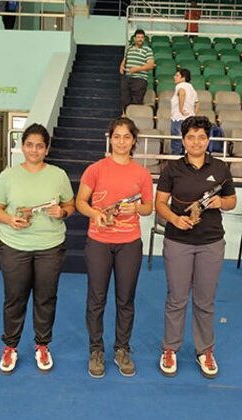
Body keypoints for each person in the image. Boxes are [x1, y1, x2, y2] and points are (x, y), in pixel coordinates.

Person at [0, 123, 76, 375]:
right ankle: (10, 346)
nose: (34, 150)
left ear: (46, 149)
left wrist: (62, 212)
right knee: (14, 298)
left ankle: (42, 344)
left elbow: (70, 205)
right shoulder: (8, 175)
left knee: (45, 298)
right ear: (22, 147)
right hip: (15, 246)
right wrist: (9, 220)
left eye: (39, 145)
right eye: (29, 144)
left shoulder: (58, 175)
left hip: (50, 247)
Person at [154, 116, 237, 379]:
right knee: (176, 298)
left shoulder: (221, 168)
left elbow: (232, 200)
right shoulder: (172, 169)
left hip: (211, 242)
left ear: (208, 140)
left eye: (201, 137)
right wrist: (175, 219)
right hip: (178, 241)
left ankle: (205, 350)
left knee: (204, 300)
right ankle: (170, 348)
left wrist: (219, 204)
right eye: (191, 137)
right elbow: (159, 204)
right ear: (183, 141)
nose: (196, 142)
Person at [75, 117, 154, 379]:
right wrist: (95, 214)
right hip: (98, 241)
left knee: (125, 299)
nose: (121, 141)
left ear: (134, 141)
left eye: (126, 137)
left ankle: (122, 349)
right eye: (117, 136)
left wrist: (136, 208)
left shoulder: (141, 173)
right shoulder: (95, 169)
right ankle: (96, 350)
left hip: (129, 243)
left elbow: (148, 207)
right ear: (110, 138)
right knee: (96, 298)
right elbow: (80, 202)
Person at [119, 29, 155, 113]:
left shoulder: (147, 50)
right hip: (127, 78)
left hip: (140, 79)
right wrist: (121, 65)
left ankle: (133, 120)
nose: (140, 39)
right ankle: (126, 117)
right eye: (138, 37)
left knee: (136, 102)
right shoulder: (129, 48)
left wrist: (137, 69)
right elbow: (125, 59)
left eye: (142, 37)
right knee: (124, 100)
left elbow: (151, 65)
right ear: (134, 38)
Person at [170, 68, 199, 155]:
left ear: (183, 78)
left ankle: (176, 163)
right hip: (189, 119)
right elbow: (197, 103)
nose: (174, 77)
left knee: (177, 143)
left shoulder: (180, 86)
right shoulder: (192, 88)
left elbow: (182, 93)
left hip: (179, 118)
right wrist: (193, 114)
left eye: (177, 75)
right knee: (186, 143)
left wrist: (181, 108)